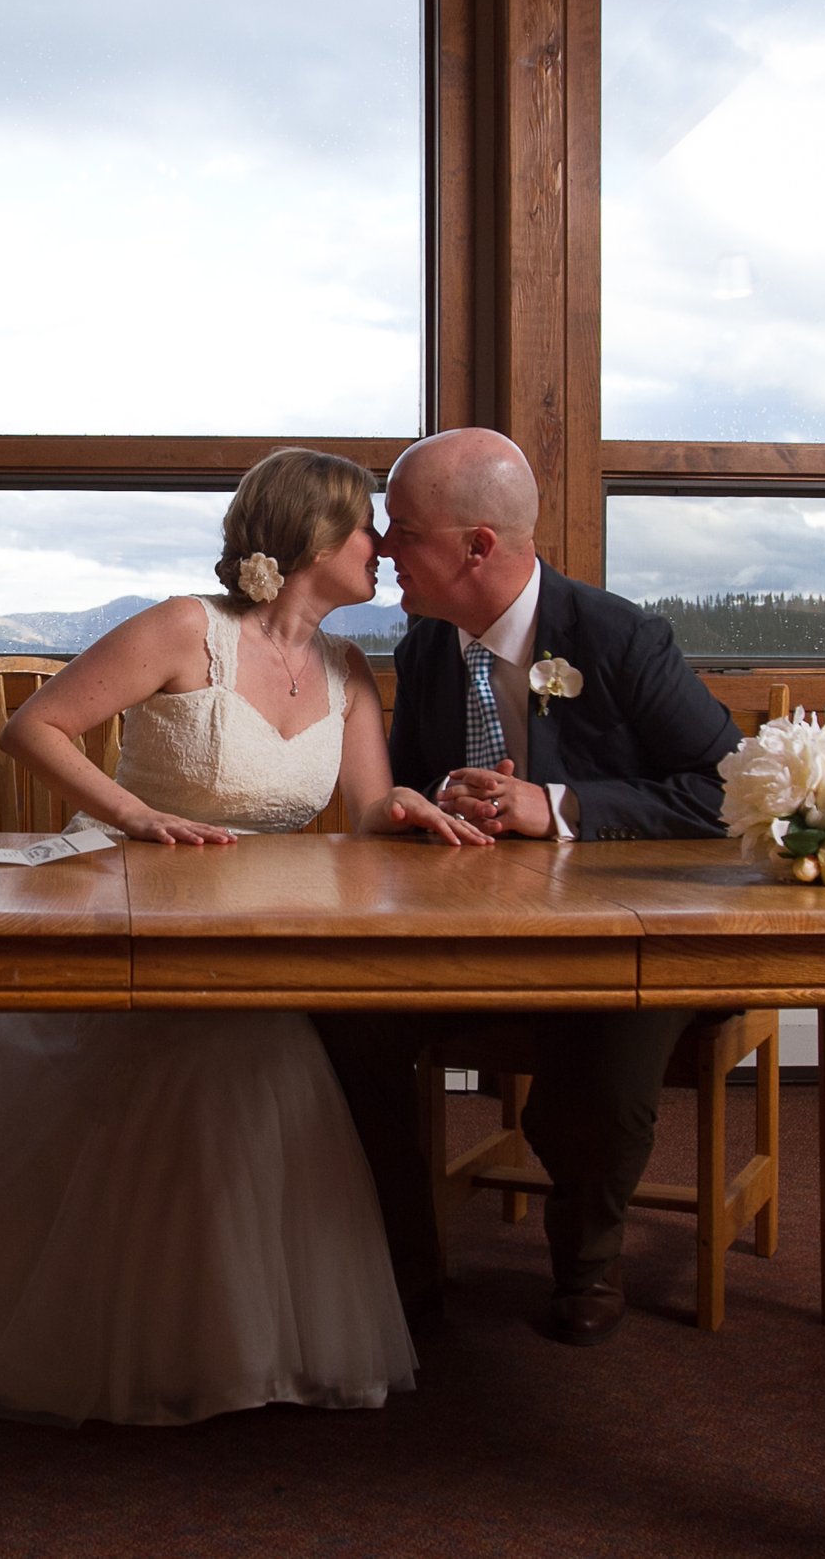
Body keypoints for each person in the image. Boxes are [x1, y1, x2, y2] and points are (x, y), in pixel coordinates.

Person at [0, 447, 484, 1426]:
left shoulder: (350, 670)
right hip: (123, 895)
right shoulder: (187, 628)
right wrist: (134, 813)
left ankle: (239, 1341)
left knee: (265, 1044)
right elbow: (32, 727)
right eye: (361, 527)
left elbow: (371, 802)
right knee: (201, 1051)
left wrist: (415, 810)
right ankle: (120, 1332)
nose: (380, 544)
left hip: (251, 920)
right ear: (308, 538)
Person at [315, 427, 740, 1348]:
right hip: (461, 931)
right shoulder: (426, 648)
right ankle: (404, 1271)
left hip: (620, 937)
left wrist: (557, 803)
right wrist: (434, 799)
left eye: (403, 530)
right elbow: (416, 779)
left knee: (609, 1046)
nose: (383, 548)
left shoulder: (619, 635)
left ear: (479, 547)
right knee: (345, 1018)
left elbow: (726, 788)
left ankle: (589, 1257)